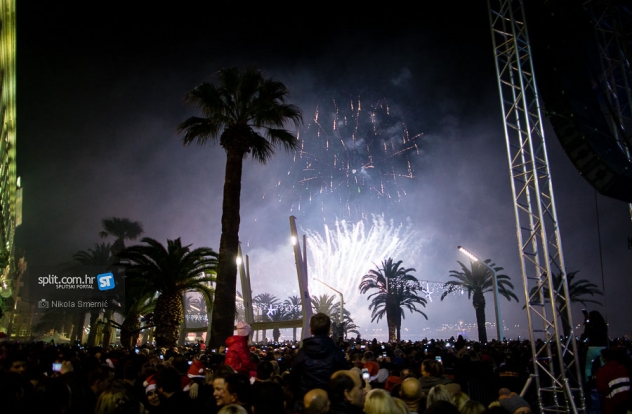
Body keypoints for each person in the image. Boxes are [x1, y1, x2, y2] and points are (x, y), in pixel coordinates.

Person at [291, 313, 347, 400]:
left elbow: (293, 379)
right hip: (331, 401)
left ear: (311, 330)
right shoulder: (336, 352)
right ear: (329, 330)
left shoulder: (302, 353)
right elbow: (344, 378)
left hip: (307, 401)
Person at [596, 349, 630, 414]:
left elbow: (601, 389)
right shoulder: (622, 367)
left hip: (612, 404)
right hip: (627, 401)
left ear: (604, 358)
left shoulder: (603, 371)